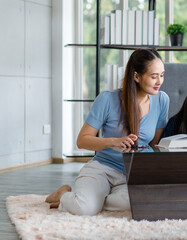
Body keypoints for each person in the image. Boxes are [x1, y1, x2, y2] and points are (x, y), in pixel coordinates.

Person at [45, 48, 169, 215]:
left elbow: (155, 143)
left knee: (138, 202)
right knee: (85, 209)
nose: (159, 81)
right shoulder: (107, 99)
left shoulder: (162, 100)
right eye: (154, 76)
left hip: (132, 172)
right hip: (102, 168)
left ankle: (96, 198)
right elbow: (82, 141)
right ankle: (64, 195)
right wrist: (113, 142)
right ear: (137, 76)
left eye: (162, 75)